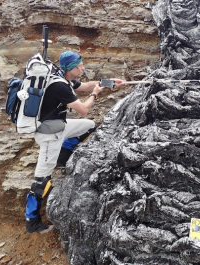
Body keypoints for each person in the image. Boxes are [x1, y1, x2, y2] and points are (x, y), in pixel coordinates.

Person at [25, 51, 125, 234]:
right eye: (80, 66)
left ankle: (62, 157)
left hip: (59, 125)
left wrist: (109, 82)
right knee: (41, 180)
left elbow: (86, 85)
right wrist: (95, 94)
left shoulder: (63, 77)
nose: (83, 68)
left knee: (89, 126)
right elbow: (84, 109)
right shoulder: (59, 86)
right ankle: (32, 221)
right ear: (70, 68)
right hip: (50, 135)